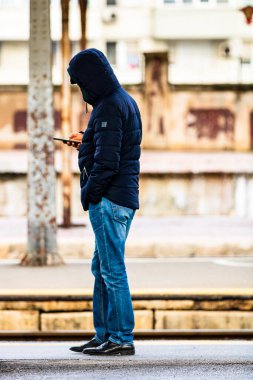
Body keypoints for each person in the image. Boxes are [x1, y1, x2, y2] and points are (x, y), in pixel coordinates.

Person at [66, 48, 142, 356]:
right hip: (120, 196)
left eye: (81, 83)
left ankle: (121, 337)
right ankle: (104, 335)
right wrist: (86, 139)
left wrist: (90, 194)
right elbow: (113, 145)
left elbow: (107, 162)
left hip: (110, 199)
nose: (81, 91)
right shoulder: (121, 101)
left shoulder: (109, 106)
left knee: (112, 270)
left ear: (91, 79)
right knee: (102, 268)